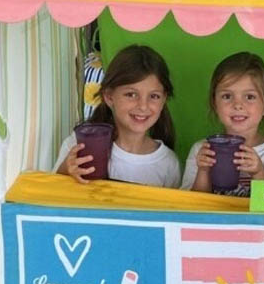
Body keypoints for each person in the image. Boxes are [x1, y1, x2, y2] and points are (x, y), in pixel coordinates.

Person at [55, 44, 180, 187]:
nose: (143, 106)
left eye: (154, 96)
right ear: (109, 97)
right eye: (131, 94)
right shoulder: (78, 146)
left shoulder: (169, 163)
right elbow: (49, 198)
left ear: (164, 100)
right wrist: (65, 171)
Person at [183, 52, 264, 196]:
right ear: (214, 104)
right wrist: (203, 171)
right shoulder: (201, 150)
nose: (238, 105)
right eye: (227, 96)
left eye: (249, 97)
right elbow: (191, 209)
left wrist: (259, 173)